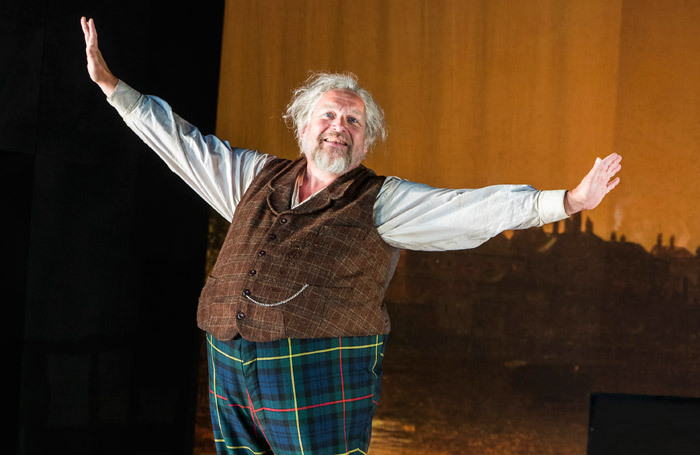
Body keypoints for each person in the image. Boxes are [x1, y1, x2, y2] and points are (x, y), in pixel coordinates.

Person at [81, 16, 621, 455]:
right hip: (229, 359)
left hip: (318, 363)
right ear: (303, 127)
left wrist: (565, 202)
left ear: (365, 143)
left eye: (354, 121)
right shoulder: (253, 178)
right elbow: (186, 147)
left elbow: (465, 210)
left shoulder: (382, 200)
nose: (340, 125)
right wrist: (116, 92)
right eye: (329, 115)